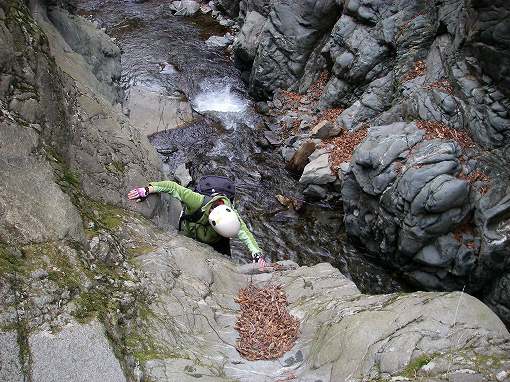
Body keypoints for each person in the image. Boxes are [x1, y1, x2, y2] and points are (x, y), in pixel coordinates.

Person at [128, 180, 266, 270]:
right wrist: (147, 190)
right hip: (190, 233)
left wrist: (257, 254)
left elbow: (246, 234)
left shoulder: (232, 217)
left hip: (216, 241)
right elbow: (173, 187)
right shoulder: (197, 201)